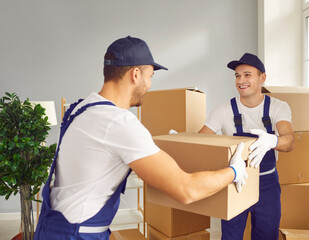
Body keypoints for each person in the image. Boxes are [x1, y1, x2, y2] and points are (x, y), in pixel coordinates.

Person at [34, 36, 248, 240]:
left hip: (49, 228)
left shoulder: (79, 108)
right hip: (78, 235)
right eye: (150, 76)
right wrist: (234, 171)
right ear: (135, 74)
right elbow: (186, 190)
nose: (150, 85)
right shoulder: (119, 123)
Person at [199, 53, 295, 240]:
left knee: (266, 236)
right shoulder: (223, 110)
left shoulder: (278, 107)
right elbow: (201, 140)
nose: (241, 80)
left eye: (247, 75)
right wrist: (181, 140)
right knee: (231, 237)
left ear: (262, 78)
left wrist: (273, 141)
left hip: (267, 185)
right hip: (236, 184)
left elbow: (289, 141)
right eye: (237, 75)